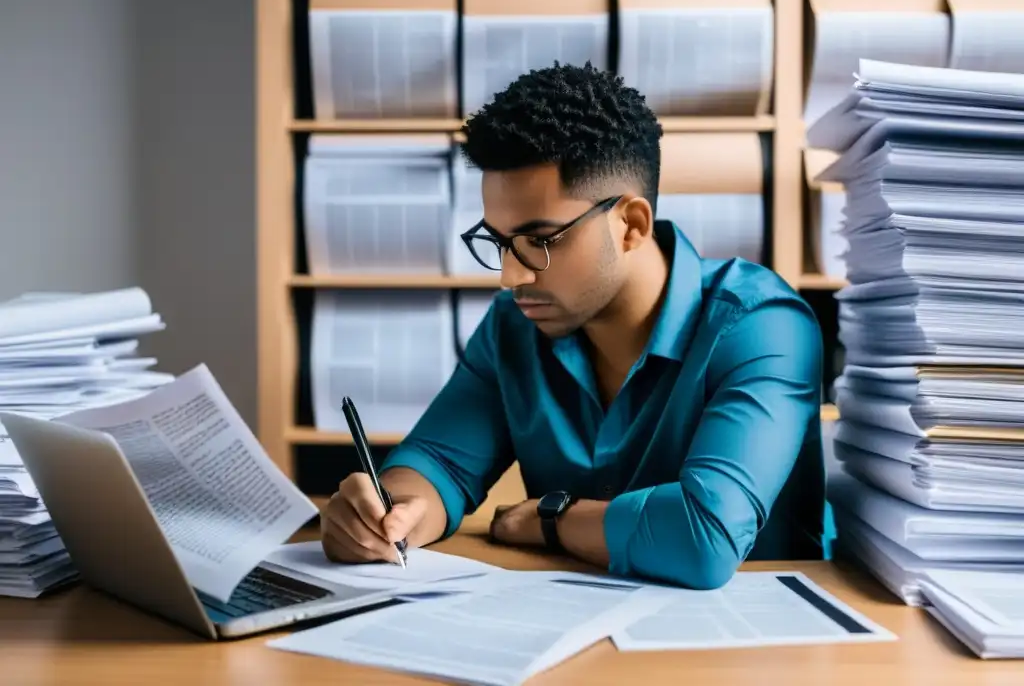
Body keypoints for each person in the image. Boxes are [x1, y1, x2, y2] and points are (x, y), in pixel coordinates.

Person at [320, 62, 825, 590]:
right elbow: (439, 461)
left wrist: (551, 520)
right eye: (499, 242)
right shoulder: (512, 328)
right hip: (571, 635)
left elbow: (704, 537)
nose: (510, 277)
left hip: (755, 646)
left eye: (540, 241)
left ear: (630, 225)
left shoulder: (763, 327)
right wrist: (389, 516)